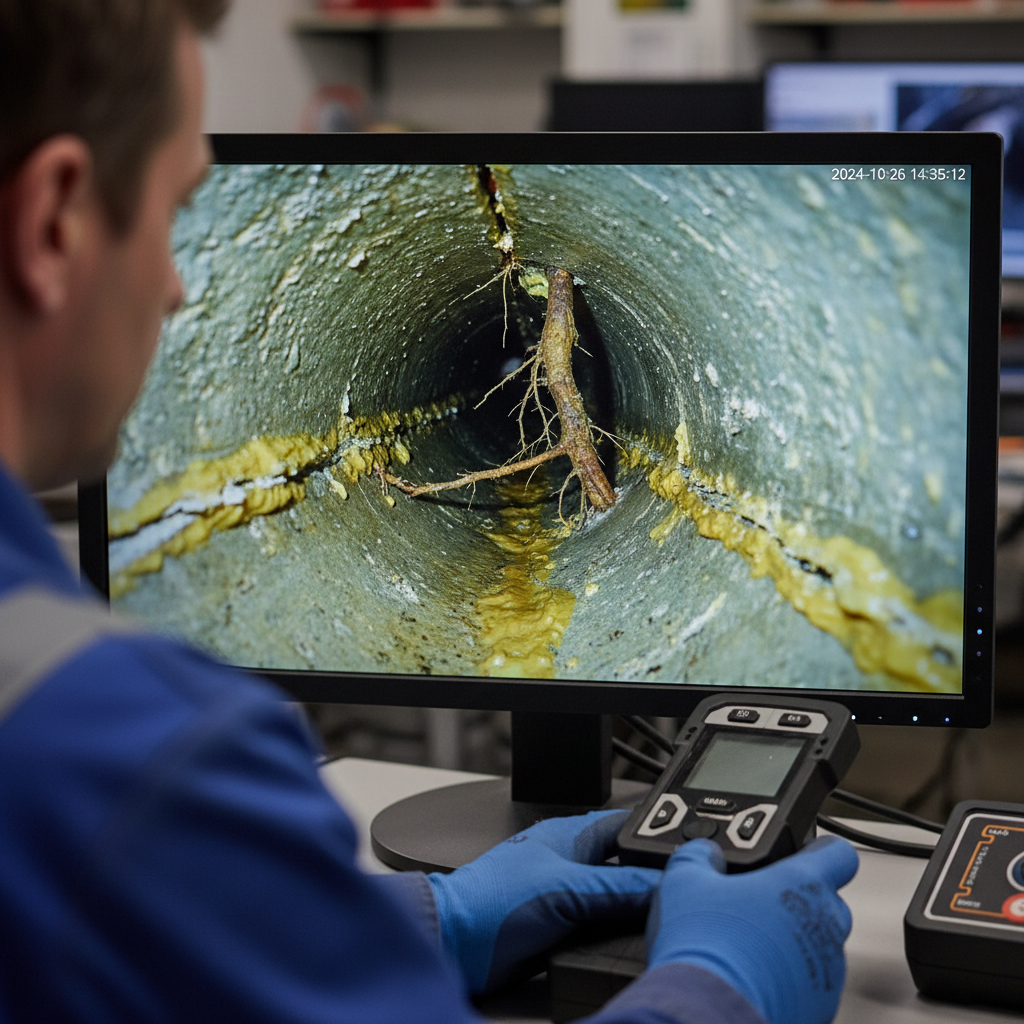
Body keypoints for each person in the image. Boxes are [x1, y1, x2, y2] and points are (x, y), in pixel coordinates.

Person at [0, 2, 860, 1021]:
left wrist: (423, 918)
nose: (179, 287)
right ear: (55, 222)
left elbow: (129, 939)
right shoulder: (134, 756)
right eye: (173, 211)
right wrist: (718, 987)